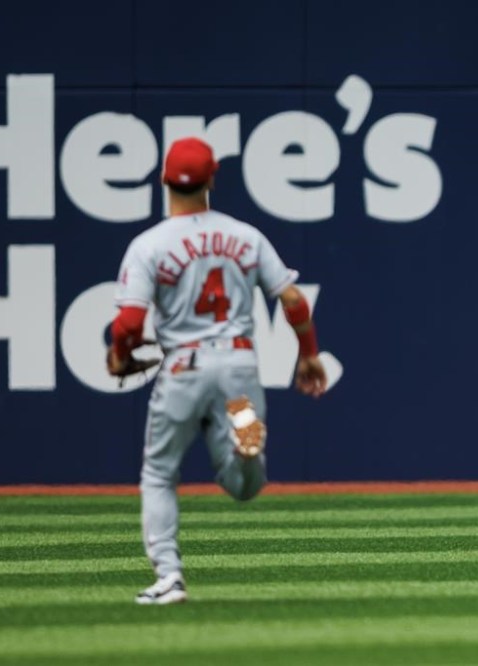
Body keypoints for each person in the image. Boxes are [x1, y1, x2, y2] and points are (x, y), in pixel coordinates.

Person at [108, 137, 327, 603]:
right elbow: (292, 299)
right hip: (240, 367)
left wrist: (120, 352)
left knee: (159, 473)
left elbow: (128, 322)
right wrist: (308, 353)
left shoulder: (149, 245)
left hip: (183, 368)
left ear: (164, 179)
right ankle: (245, 453)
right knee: (246, 484)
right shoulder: (245, 235)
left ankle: (169, 576)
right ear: (212, 179)